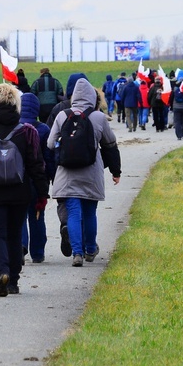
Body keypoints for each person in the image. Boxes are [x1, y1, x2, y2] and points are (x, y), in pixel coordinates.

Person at [0, 84, 49, 296]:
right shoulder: (27, 132)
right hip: (19, 192)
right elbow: (36, 166)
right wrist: (42, 194)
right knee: (15, 235)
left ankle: (1, 272)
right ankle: (13, 280)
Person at [47, 78, 121, 267]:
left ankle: (77, 254)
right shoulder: (98, 117)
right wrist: (115, 170)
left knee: (73, 212)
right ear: (91, 96)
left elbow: (49, 143)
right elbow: (110, 144)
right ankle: (90, 249)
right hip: (91, 173)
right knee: (89, 212)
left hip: (66, 174)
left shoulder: (63, 116)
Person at [19, 92, 55, 263]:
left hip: (17, 179)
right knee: (37, 215)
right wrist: (51, 177)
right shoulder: (43, 129)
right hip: (37, 179)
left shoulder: (14, 128)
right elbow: (49, 157)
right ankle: (38, 252)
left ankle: (21, 245)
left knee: (19, 216)